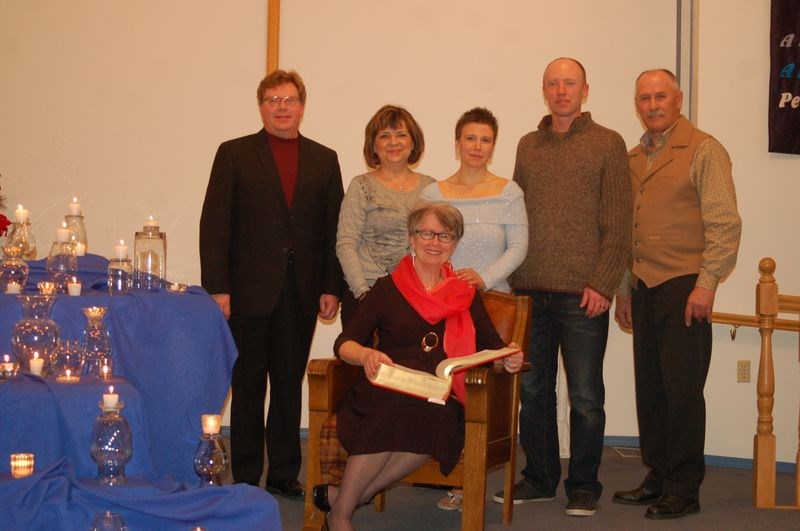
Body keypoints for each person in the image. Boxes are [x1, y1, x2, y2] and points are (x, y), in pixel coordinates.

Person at [312, 202, 524, 531]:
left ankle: (342, 501)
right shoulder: (387, 288)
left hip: (438, 393)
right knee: (394, 407)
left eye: (445, 235)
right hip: (386, 385)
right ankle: (341, 518)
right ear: (412, 238)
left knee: (435, 414)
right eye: (426, 233)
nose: (434, 242)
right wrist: (367, 355)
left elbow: (490, 344)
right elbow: (346, 343)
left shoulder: (465, 292)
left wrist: (509, 357)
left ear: (455, 243)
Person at [494, 57, 631, 517]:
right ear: (544, 90)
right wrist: (511, 276)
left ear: (585, 90)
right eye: (553, 83)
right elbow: (516, 214)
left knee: (586, 396)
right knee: (533, 393)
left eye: (569, 83)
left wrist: (604, 283)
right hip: (530, 291)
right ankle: (539, 478)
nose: (561, 90)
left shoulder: (609, 144)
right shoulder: (528, 146)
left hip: (583, 295)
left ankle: (584, 485)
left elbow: (619, 222)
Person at [199, 69, 344, 499]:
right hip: (246, 292)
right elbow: (215, 224)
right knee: (246, 384)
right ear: (261, 106)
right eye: (273, 100)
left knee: (286, 383)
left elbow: (334, 229)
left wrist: (331, 285)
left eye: (290, 99)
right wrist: (218, 288)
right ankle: (245, 475)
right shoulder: (234, 154)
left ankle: (283, 474)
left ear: (303, 105)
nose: (282, 107)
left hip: (301, 291)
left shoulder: (324, 158)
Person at [612, 69, 741, 520]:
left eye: (660, 96)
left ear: (679, 99)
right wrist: (624, 288)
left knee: (683, 390)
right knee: (651, 388)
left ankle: (684, 487)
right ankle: (660, 474)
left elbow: (725, 222)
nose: (652, 104)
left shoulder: (705, 149)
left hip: (686, 285)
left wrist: (707, 284)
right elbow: (629, 230)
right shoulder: (632, 157)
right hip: (644, 286)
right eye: (644, 97)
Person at [422, 107, 528, 511]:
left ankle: (477, 478)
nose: (477, 147)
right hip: (444, 307)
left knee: (486, 396)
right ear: (456, 143)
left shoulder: (508, 191)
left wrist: (482, 278)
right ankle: (452, 472)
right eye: (470, 138)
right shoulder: (434, 193)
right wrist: (450, 284)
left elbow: (518, 247)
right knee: (447, 390)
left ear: (493, 145)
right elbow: (424, 244)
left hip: (494, 306)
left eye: (485, 140)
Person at [336, 105, 433, 325]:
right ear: (373, 145)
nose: (393, 142)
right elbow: (346, 243)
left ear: (413, 143)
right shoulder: (360, 186)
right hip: (367, 295)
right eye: (384, 136)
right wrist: (363, 293)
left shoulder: (431, 188)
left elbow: (436, 245)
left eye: (401, 135)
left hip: (416, 299)